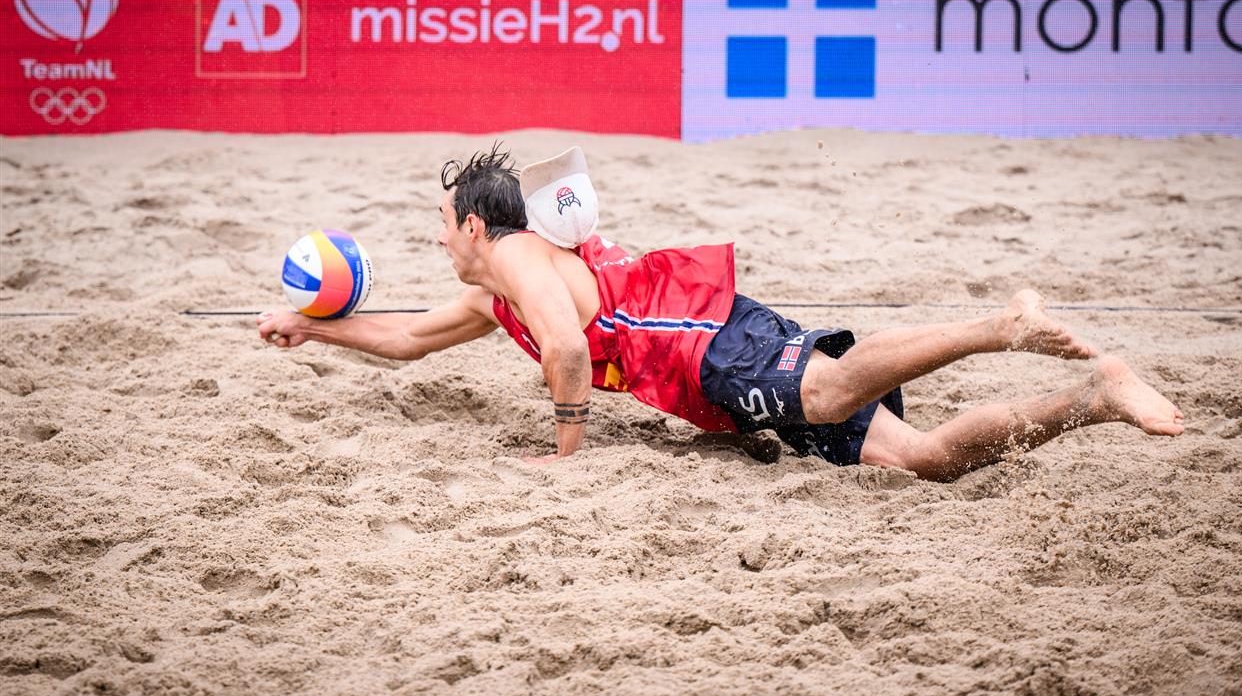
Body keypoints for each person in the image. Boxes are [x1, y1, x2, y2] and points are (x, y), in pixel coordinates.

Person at [257, 145, 1184, 480]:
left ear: (473, 225)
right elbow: (408, 338)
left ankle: (1001, 327)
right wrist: (315, 327)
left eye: (441, 224)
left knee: (829, 392)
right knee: (925, 459)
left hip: (702, 342)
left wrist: (566, 454)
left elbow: (569, 349)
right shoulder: (495, 287)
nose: (438, 239)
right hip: (705, 357)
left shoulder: (516, 256)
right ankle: (1096, 394)